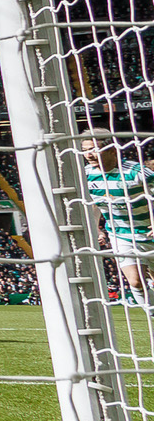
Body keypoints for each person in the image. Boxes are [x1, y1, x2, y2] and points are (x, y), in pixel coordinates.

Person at [82, 130, 154, 308]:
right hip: (121, 235)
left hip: (149, 232)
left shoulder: (137, 172)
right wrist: (96, 228)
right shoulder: (85, 175)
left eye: (94, 149)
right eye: (85, 150)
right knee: (135, 281)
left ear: (112, 150)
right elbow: (94, 203)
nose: (88, 155)